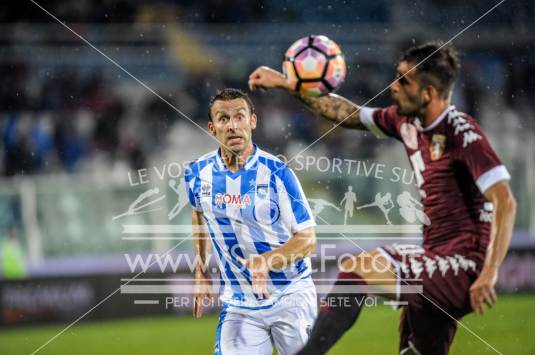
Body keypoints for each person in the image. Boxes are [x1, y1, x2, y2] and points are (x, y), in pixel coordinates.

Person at [248, 42, 517, 355]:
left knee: (359, 268)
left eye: (403, 80)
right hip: (434, 257)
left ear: (428, 93)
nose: (394, 87)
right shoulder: (405, 121)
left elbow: (505, 202)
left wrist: (489, 272)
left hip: (464, 266)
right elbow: (346, 114)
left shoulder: (461, 132)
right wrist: (287, 83)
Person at [184, 88, 318, 355]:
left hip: (291, 296)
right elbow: (199, 213)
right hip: (239, 303)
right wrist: (201, 271)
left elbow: (307, 240)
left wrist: (267, 261)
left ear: (252, 122)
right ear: (212, 127)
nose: (232, 126)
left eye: (239, 117)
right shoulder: (197, 173)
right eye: (223, 119)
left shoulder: (278, 173)